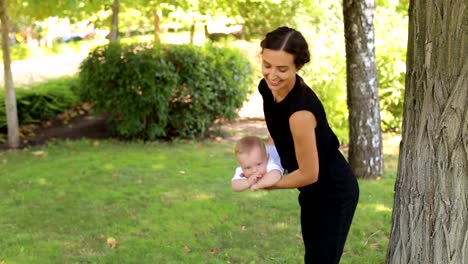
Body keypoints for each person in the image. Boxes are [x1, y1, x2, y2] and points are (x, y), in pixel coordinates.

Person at [257, 26, 359, 263]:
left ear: (297, 67)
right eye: (267, 65)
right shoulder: (267, 89)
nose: (272, 75)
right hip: (312, 191)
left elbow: (309, 173)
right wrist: (264, 163)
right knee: (313, 257)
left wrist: (270, 182)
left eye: (282, 69)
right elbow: (278, 134)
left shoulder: (301, 112)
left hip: (334, 191)